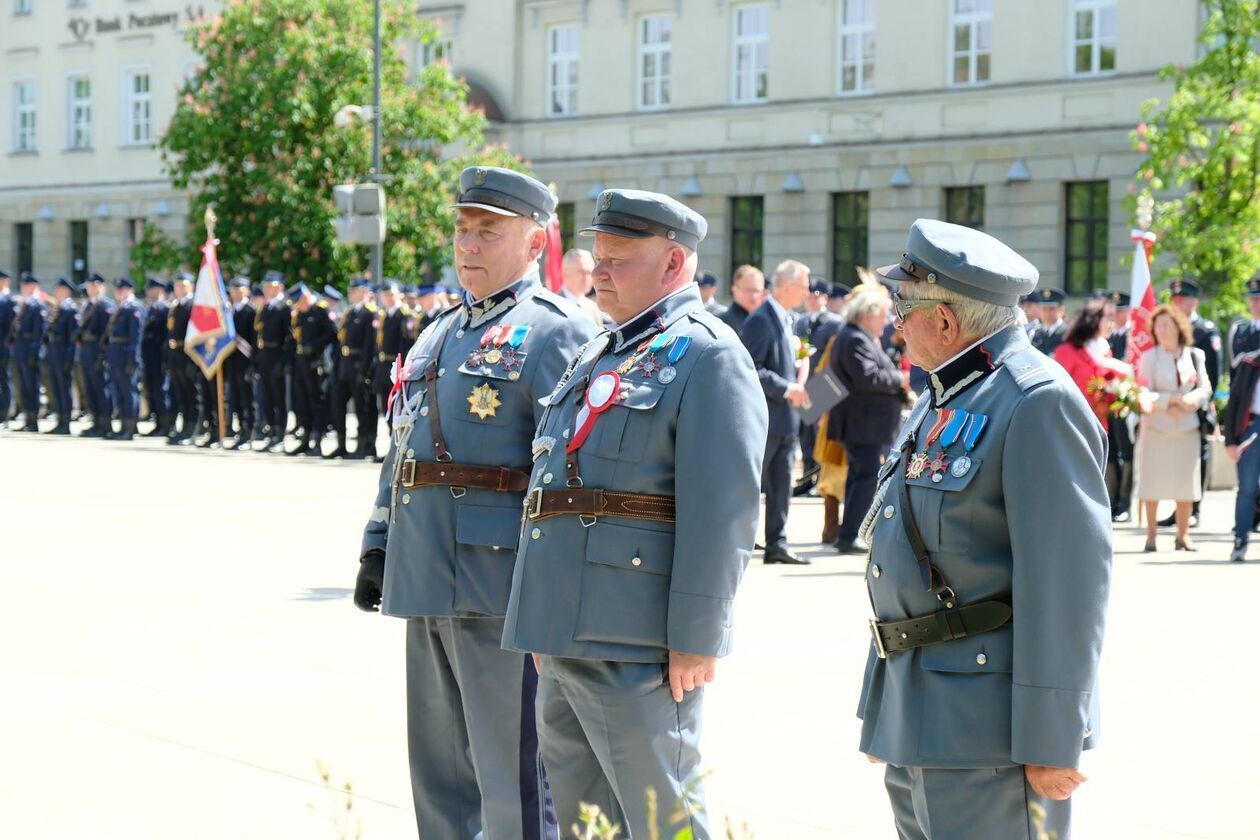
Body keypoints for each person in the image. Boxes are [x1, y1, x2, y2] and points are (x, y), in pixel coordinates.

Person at [503, 188, 766, 839]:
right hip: (564, 630)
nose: (599, 272)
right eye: (598, 256)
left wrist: (698, 635)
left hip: (637, 638)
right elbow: (554, 490)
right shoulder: (602, 349)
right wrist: (538, 618)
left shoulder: (708, 354)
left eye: (619, 259)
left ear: (674, 262)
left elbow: (725, 511)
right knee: (586, 822)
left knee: (661, 819)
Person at [353, 166, 596, 839]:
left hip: (501, 586)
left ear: (536, 241)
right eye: (463, 229)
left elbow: (569, 476)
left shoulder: (558, 331)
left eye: (488, 230)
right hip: (424, 571)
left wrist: (555, 596)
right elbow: (403, 448)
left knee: (513, 779)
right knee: (439, 777)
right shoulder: (437, 332)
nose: (468, 244)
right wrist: (378, 543)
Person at [859, 219, 1111, 840]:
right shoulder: (951, 392)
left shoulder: (1034, 400)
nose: (894, 321)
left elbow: (1069, 588)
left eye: (903, 306)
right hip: (920, 706)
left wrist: (1055, 736)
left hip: (986, 725)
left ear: (945, 321)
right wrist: (880, 709)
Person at [741, 260, 811, 565]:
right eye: (804, 286)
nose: (807, 292)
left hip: (786, 418)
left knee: (783, 484)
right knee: (750, 484)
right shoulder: (761, 319)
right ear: (787, 287)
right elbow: (751, 368)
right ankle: (739, 541)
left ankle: (777, 543)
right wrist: (786, 387)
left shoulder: (789, 319)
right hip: (766, 418)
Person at [826, 284, 904, 554]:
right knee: (865, 478)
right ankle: (849, 536)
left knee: (861, 478)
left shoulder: (858, 336)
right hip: (863, 425)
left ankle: (849, 533)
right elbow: (868, 377)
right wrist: (900, 379)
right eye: (882, 315)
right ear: (866, 315)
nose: (886, 322)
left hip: (866, 425)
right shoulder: (854, 338)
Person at [1134, 305, 1211, 553]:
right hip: (1156, 429)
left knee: (1185, 485)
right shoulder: (1149, 357)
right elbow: (1143, 391)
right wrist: (1172, 400)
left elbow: (1205, 387)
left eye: (1167, 324)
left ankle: (1183, 535)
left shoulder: (1195, 355)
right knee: (1152, 483)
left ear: (1179, 327)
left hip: (1186, 428)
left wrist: (1192, 400)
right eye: (1158, 326)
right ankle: (1151, 536)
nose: (1162, 330)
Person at [1164, 277, 1221, 529]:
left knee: (1198, 456)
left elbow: (1214, 374)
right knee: (1175, 458)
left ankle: (1194, 509)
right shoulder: (1167, 327)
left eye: (1181, 299)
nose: (1177, 303)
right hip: (1171, 405)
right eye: (1174, 300)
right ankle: (1178, 509)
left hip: (1196, 405)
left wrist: (1200, 401)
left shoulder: (1206, 330)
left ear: (1193, 301)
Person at [793, 277, 844, 496]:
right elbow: (801, 352)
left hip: (824, 383)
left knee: (820, 433)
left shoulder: (834, 322)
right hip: (805, 383)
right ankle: (807, 477)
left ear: (824, 298)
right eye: (808, 296)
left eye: (815, 296)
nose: (811, 300)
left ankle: (820, 479)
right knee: (806, 434)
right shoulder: (801, 322)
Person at [1051, 299, 1131, 429]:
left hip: (1099, 425)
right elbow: (1056, 391)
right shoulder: (1067, 351)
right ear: (1095, 320)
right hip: (1071, 424)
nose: (1113, 323)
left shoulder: (1105, 351)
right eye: (1109, 318)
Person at [325, 278, 378, 459]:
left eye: (355, 290)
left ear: (364, 292)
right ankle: (341, 444)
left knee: (362, 407)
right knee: (338, 404)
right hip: (344, 365)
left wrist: (364, 370)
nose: (351, 294)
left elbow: (370, 345)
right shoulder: (349, 312)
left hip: (358, 365)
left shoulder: (370, 313)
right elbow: (341, 341)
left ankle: (365, 445)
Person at [285, 283, 335, 456]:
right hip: (301, 363)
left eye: (300, 301)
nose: (299, 306)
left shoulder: (320, 310)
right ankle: (305, 439)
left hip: (316, 363)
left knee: (317, 402)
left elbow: (331, 334)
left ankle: (317, 440)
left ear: (306, 297)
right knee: (302, 401)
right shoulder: (299, 314)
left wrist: (313, 347)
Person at [370, 279, 416, 454]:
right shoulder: (384, 316)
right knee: (385, 409)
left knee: (398, 410)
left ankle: (397, 450)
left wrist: (403, 370)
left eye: (390, 294)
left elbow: (407, 345)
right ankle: (390, 449)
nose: (387, 298)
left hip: (398, 367)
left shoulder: (404, 315)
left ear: (399, 295)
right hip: (383, 366)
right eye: (384, 295)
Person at [254, 271, 291, 453]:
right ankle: (270, 430)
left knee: (279, 398)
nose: (268, 290)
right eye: (266, 287)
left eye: (272, 287)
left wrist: (283, 362)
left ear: (280, 287)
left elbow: (289, 337)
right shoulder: (265, 308)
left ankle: (280, 433)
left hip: (277, 355)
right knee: (266, 397)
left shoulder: (285, 308)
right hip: (264, 356)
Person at [104, 277, 143, 441]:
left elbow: (135, 337)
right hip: (116, 355)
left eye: (122, 290)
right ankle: (122, 425)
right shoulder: (120, 307)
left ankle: (130, 427)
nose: (119, 292)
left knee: (128, 391)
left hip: (126, 355)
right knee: (119, 391)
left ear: (130, 290)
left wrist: (133, 359)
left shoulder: (133, 308)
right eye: (118, 290)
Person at [77, 273, 115, 437]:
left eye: (96, 285)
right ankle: (95, 421)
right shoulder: (89, 305)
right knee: (89, 388)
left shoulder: (106, 306)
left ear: (103, 287)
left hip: (98, 352)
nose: (92, 288)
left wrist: (103, 355)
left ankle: (105, 424)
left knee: (101, 388)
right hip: (86, 351)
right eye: (90, 286)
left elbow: (107, 333)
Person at [164, 273, 198, 445]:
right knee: (180, 394)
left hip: (188, 354)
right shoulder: (176, 306)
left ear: (191, 286)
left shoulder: (193, 305)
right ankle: (184, 427)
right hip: (175, 355)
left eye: (183, 285)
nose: (180, 289)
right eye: (177, 286)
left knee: (191, 394)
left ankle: (193, 428)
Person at [42, 278, 79, 435]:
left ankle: (65, 423)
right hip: (54, 352)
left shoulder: (70, 309)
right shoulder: (59, 307)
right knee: (56, 388)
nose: (55, 291)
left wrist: (70, 359)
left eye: (58, 289)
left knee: (64, 389)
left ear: (66, 290)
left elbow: (73, 337)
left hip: (64, 354)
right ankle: (60, 420)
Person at [11, 273, 47, 431]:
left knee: (32, 385)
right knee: (23, 385)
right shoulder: (25, 303)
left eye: (26, 285)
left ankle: (33, 421)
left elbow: (39, 333)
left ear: (33, 285)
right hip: (21, 348)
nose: (23, 288)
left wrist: (35, 353)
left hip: (30, 349)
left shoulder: (37, 305)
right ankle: (28, 418)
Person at [225, 277, 257, 449]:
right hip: (232, 361)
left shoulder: (251, 311)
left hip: (245, 361)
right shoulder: (230, 312)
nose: (236, 292)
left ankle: (250, 432)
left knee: (248, 399)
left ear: (247, 291)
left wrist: (253, 364)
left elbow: (253, 340)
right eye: (233, 289)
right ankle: (240, 430)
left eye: (240, 289)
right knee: (235, 399)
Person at [141, 278, 172, 437]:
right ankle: (157, 422)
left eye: (151, 289)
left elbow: (166, 336)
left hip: (160, 357)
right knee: (152, 390)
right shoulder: (150, 309)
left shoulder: (165, 308)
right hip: (149, 356)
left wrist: (166, 358)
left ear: (159, 290)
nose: (148, 292)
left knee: (161, 391)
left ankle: (165, 425)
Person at [559, 248, 605, 327]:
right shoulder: (552, 305)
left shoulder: (594, 308)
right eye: (582, 272)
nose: (587, 278)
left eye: (590, 273)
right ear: (565, 272)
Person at [718, 263, 765, 334]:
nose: (754, 296)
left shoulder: (765, 322)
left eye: (757, 291)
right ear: (734, 290)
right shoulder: (722, 323)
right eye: (749, 290)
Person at [1030, 287, 1066, 355]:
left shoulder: (1067, 333)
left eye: (1051, 309)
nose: (1047, 313)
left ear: (1061, 309)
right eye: (1044, 309)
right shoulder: (1036, 333)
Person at [0, 269, 15, 422]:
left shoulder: (9, 300)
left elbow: (11, 328)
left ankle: (4, 414)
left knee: (4, 380)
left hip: (4, 347)